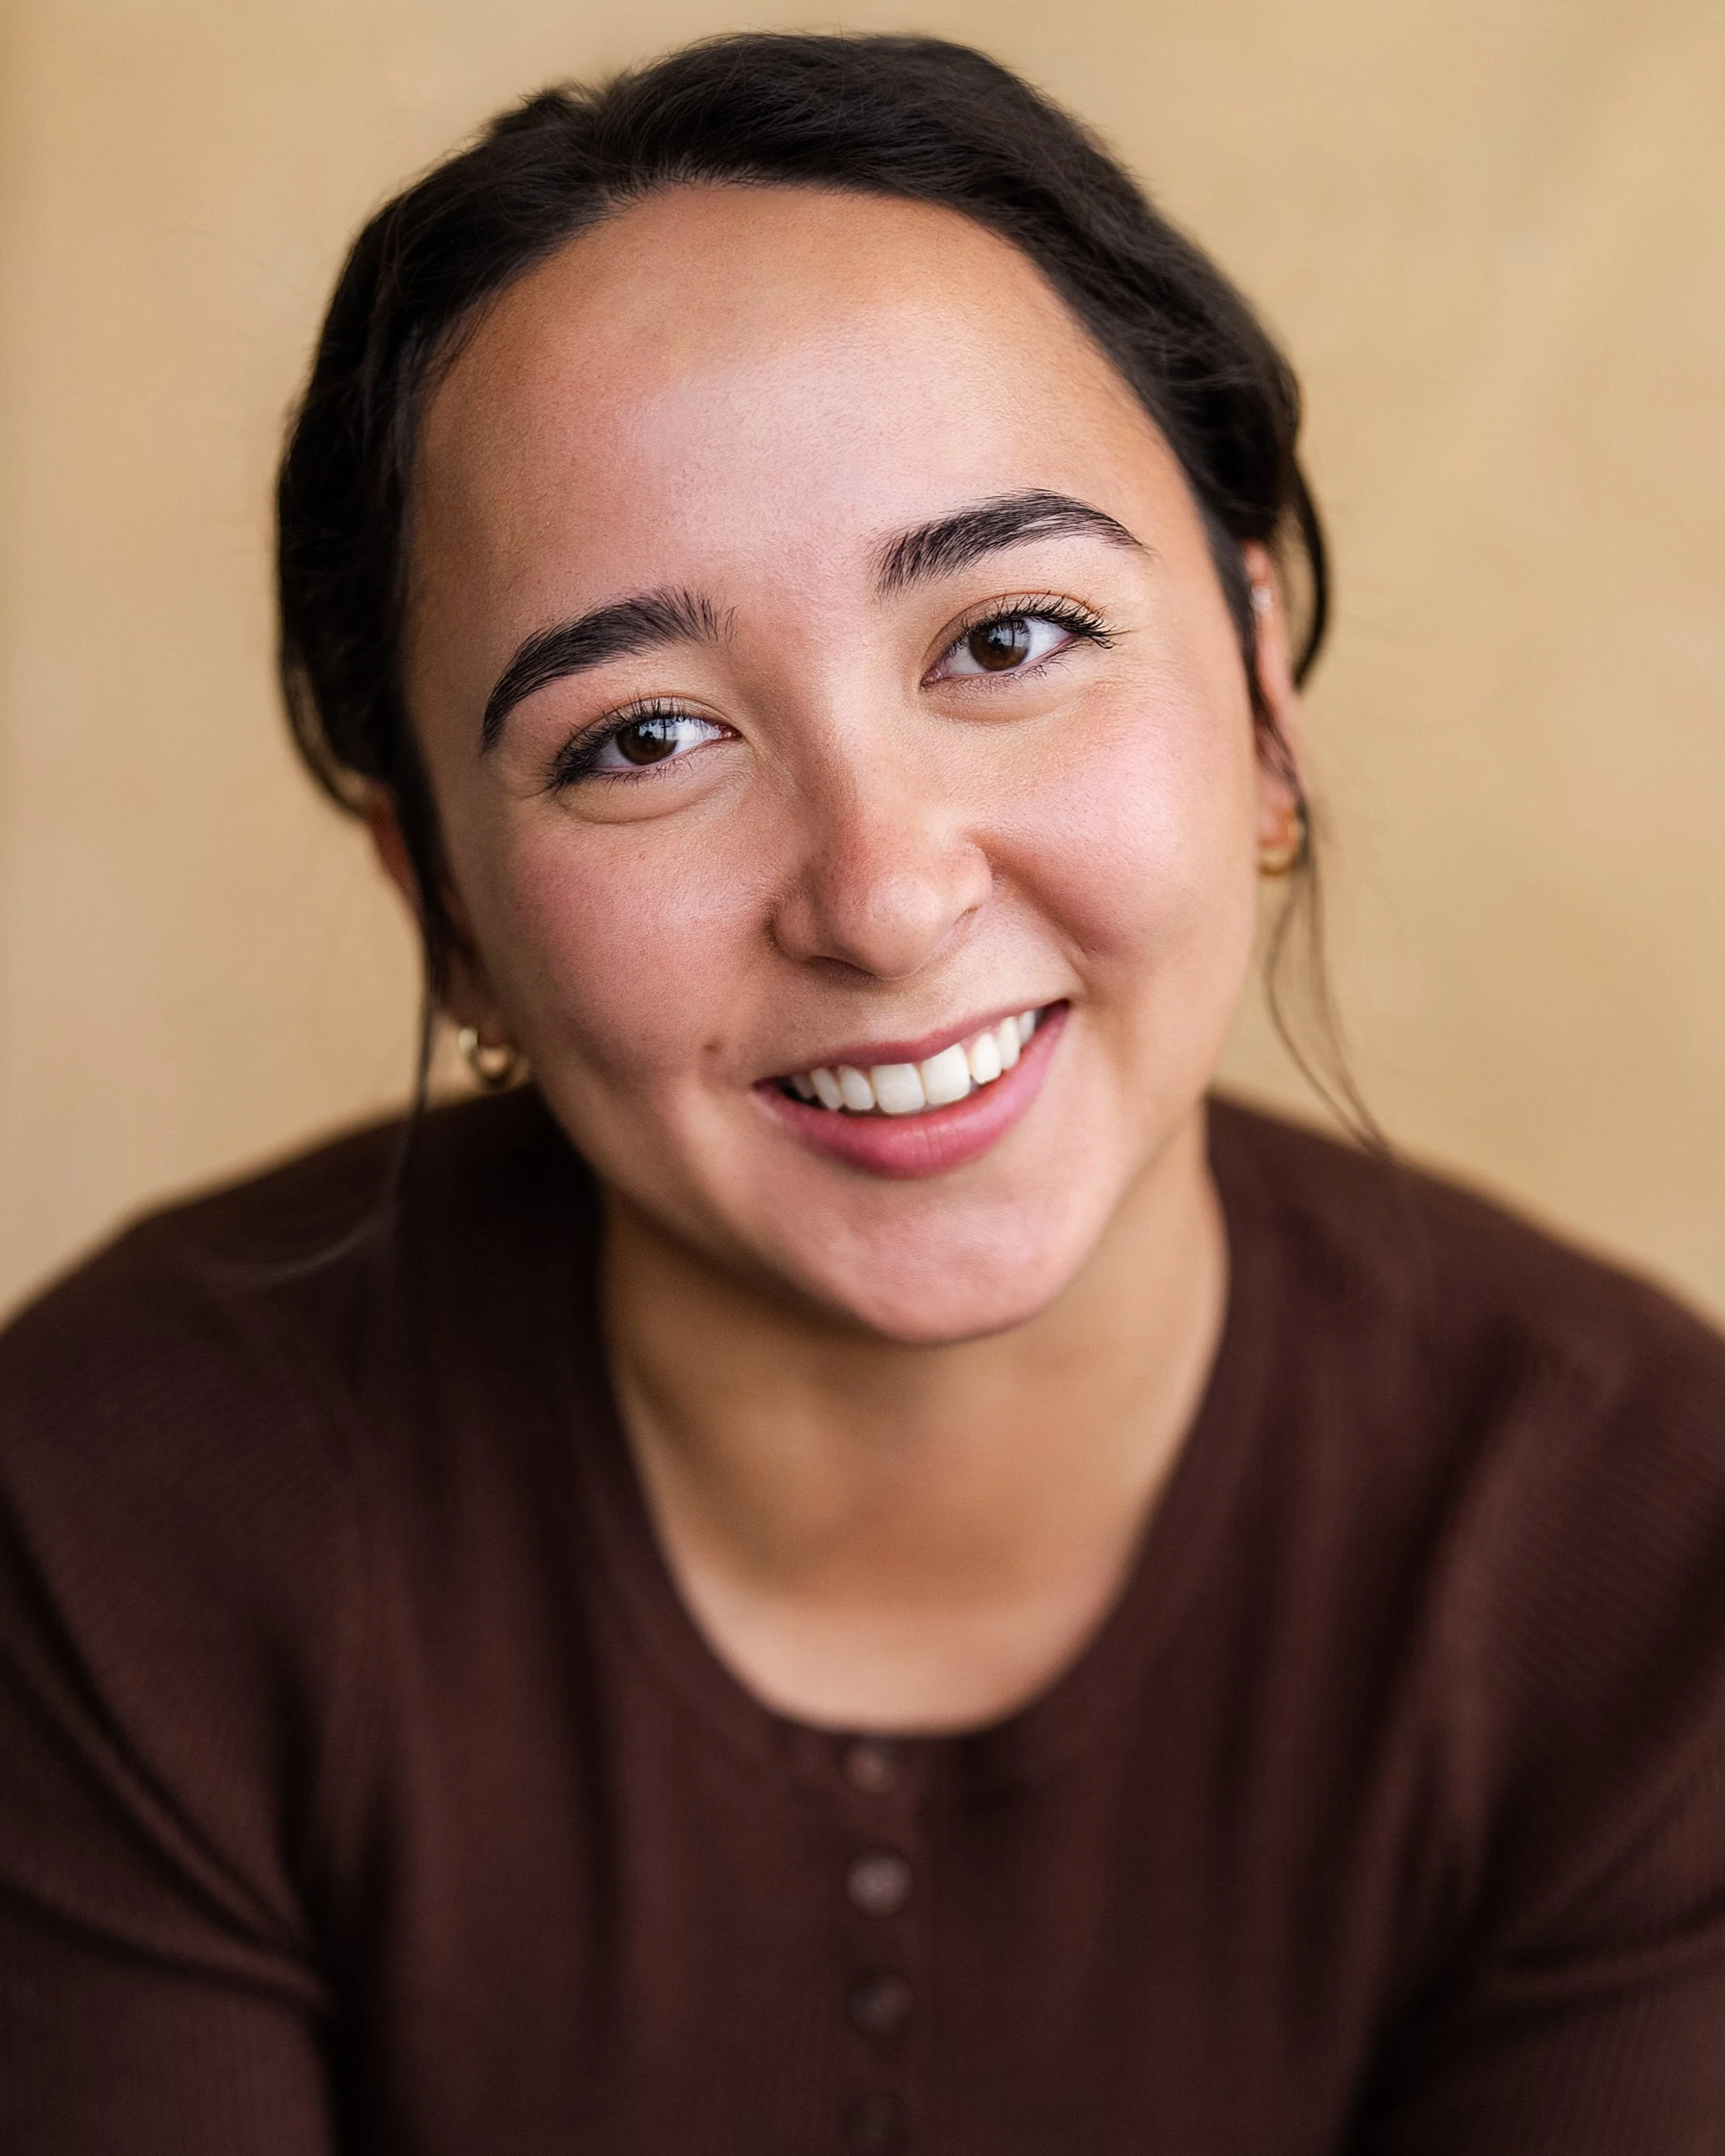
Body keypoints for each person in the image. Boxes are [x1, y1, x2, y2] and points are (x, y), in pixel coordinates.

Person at [2, 32, 1722, 2154]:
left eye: (1006, 636)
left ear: (1260, 694)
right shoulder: (119, 1508)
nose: (884, 893)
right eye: (638, 737)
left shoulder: (1639, 1555)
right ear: (441, 902)